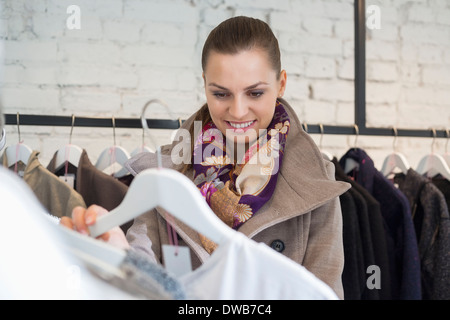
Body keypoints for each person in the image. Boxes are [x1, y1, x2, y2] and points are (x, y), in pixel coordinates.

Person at [61, 16, 350, 299]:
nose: (238, 111)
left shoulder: (316, 185)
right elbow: (142, 275)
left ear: (281, 84)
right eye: (221, 94)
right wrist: (114, 254)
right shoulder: (164, 175)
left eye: (255, 93)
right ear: (205, 85)